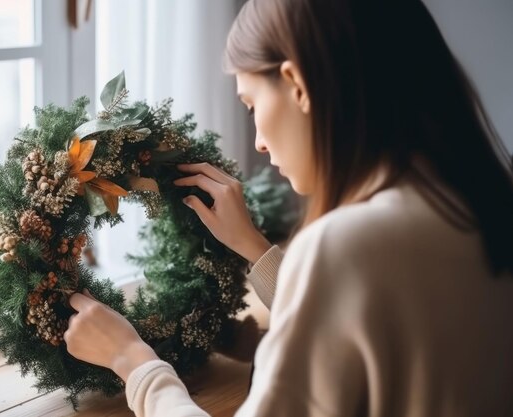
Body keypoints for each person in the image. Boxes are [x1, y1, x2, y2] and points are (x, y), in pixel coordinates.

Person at [63, 0, 513, 415]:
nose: (257, 138)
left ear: (297, 85)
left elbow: (354, 277)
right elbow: (378, 320)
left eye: (252, 104)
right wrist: (256, 250)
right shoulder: (474, 201)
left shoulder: (348, 244)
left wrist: (135, 361)